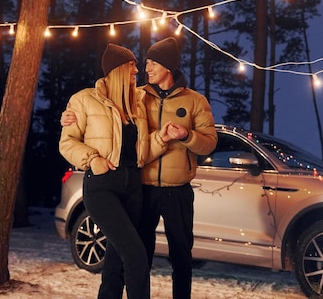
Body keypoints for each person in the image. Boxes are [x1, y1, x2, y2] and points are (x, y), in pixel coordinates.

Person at [61, 37, 217, 299]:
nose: (144, 69)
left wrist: (181, 136)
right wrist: (70, 123)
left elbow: (206, 143)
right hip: (140, 188)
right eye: (141, 64)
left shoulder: (192, 101)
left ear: (168, 66)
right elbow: (78, 131)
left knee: (178, 257)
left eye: (152, 62)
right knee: (136, 254)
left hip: (168, 189)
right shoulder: (137, 97)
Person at [58, 43, 175, 299]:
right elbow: (67, 143)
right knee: (136, 256)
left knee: (115, 263)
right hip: (102, 187)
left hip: (133, 187)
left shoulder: (137, 107)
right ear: (118, 70)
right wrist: (92, 159)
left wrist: (162, 138)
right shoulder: (84, 99)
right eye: (132, 69)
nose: (137, 73)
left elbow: (141, 153)